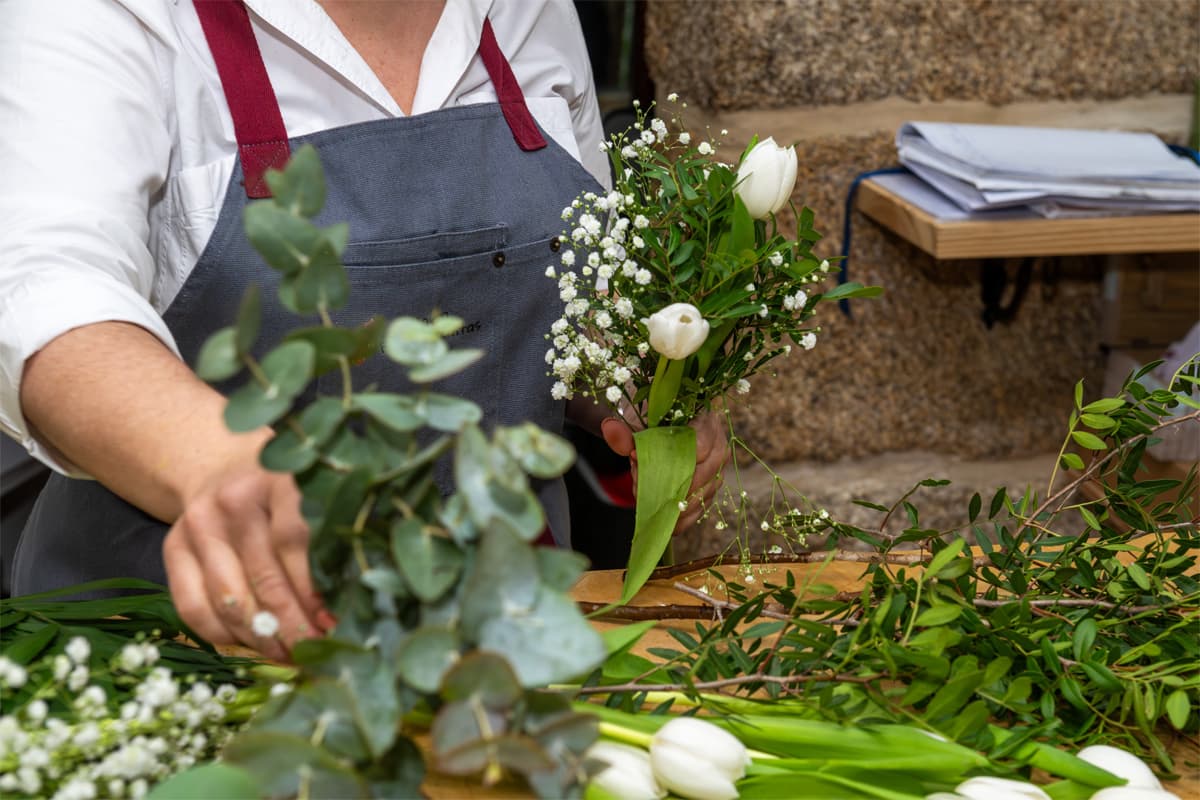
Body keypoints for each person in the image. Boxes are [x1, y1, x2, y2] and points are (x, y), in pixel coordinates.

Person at [0, 0, 726, 661]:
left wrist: (638, 389)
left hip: (508, 648)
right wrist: (215, 462)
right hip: (179, 654)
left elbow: (573, 278)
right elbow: (44, 284)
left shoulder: (529, 9)